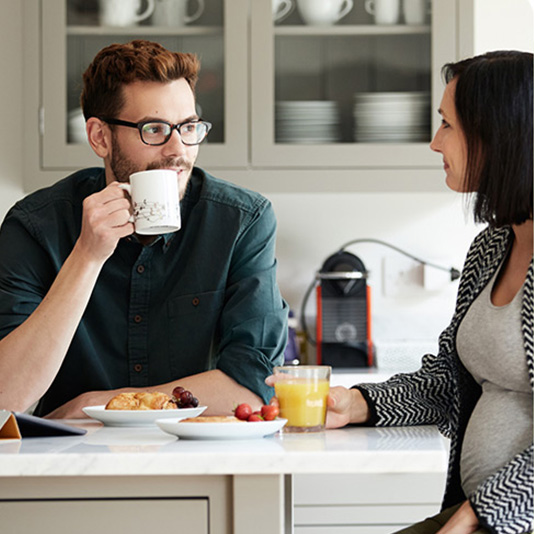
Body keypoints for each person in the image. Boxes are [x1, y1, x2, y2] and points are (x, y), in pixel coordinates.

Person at [270, 50, 534, 534]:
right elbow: (446, 381)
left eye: (448, 126)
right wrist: (360, 403)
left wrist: (480, 513)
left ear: (501, 136)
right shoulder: (492, 248)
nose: (435, 144)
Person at [0, 40, 288, 419]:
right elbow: (6, 396)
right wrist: (87, 257)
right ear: (100, 137)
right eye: (154, 129)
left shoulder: (240, 221)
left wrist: (102, 405)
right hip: (68, 463)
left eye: (188, 127)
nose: (177, 150)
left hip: (200, 460)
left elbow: (254, 384)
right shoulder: (36, 226)